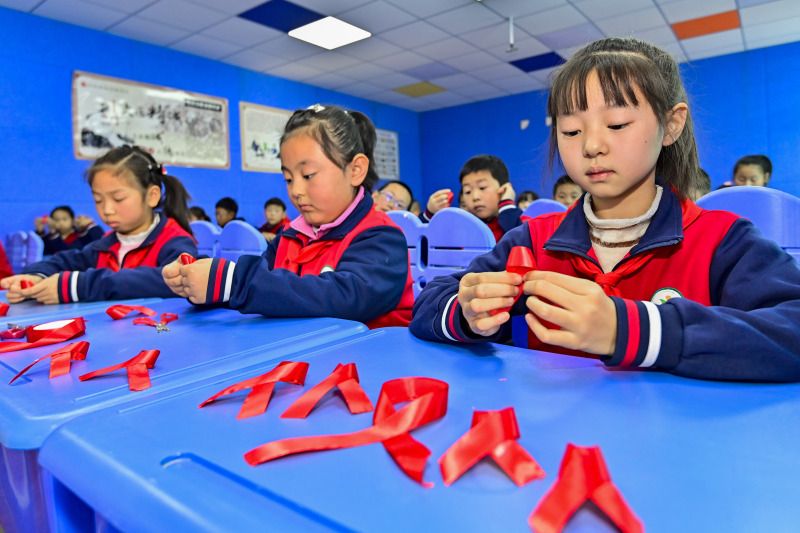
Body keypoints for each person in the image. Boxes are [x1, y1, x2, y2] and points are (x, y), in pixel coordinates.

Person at [410, 37, 800, 382]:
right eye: (571, 130)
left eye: (616, 124)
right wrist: (469, 312)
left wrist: (629, 330)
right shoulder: (535, 239)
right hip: (558, 438)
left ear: (671, 124)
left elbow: (791, 328)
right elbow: (428, 304)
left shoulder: (719, 239)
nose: (591, 146)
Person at [163, 104, 413, 328]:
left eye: (308, 175)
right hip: (301, 355)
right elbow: (266, 290)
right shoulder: (290, 236)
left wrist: (233, 282)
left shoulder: (381, 237)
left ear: (355, 170)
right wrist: (206, 285)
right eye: (288, 179)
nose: (296, 191)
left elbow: (346, 298)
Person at [1, 145, 197, 303]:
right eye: (98, 200)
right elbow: (67, 261)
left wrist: (79, 286)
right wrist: (37, 276)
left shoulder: (176, 241)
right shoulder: (106, 244)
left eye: (118, 198)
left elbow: (174, 279)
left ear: (152, 196)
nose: (107, 209)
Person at [421, 155, 522, 241]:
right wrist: (430, 214)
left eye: (482, 187)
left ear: (504, 189)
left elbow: (520, 240)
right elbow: (423, 244)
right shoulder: (460, 228)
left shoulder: (517, 220)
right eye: (468, 191)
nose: (475, 197)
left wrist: (506, 205)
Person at [34, 206, 103, 255]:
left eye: (64, 219)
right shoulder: (50, 238)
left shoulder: (80, 237)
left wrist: (90, 225)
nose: (60, 222)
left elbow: (68, 253)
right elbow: (42, 251)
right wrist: (40, 232)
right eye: (56, 220)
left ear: (72, 220)